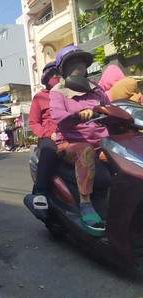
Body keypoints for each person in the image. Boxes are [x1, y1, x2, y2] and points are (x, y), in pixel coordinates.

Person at [50, 45, 110, 236]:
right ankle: (85, 203)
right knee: (85, 151)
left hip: (102, 142)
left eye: (81, 62)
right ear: (63, 69)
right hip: (71, 143)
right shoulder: (58, 91)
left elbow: (110, 107)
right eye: (73, 62)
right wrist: (78, 114)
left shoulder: (97, 88)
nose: (79, 66)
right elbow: (58, 116)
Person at [28, 61, 61, 211]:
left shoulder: (69, 94)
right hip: (49, 137)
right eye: (52, 75)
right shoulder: (39, 97)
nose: (56, 78)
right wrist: (48, 133)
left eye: (58, 74)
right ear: (45, 78)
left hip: (69, 134)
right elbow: (34, 122)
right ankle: (40, 192)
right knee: (49, 152)